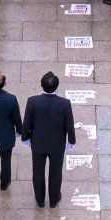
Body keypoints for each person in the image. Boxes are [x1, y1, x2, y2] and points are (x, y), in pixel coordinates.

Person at [21, 71, 75, 208]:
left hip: (38, 144)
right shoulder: (65, 103)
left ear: (41, 85)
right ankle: (54, 199)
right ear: (57, 87)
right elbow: (69, 124)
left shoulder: (32, 101)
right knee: (56, 173)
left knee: (38, 172)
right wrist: (71, 141)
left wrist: (25, 138)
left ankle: (40, 200)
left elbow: (27, 122)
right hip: (57, 146)